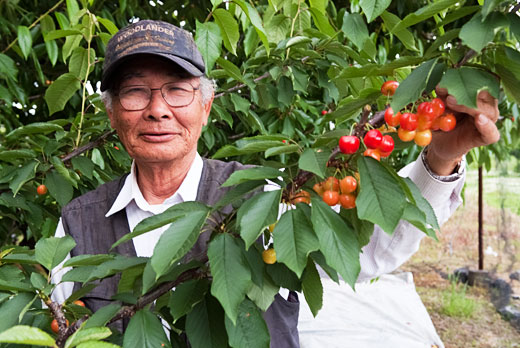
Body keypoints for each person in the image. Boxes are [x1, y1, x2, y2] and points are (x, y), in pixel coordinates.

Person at [51, 19, 500, 347]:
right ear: (111, 115)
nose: (157, 109)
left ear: (206, 107)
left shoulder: (266, 196)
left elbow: (365, 252)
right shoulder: (75, 226)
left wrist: (441, 156)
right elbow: (60, 330)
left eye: (177, 89)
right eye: (134, 91)